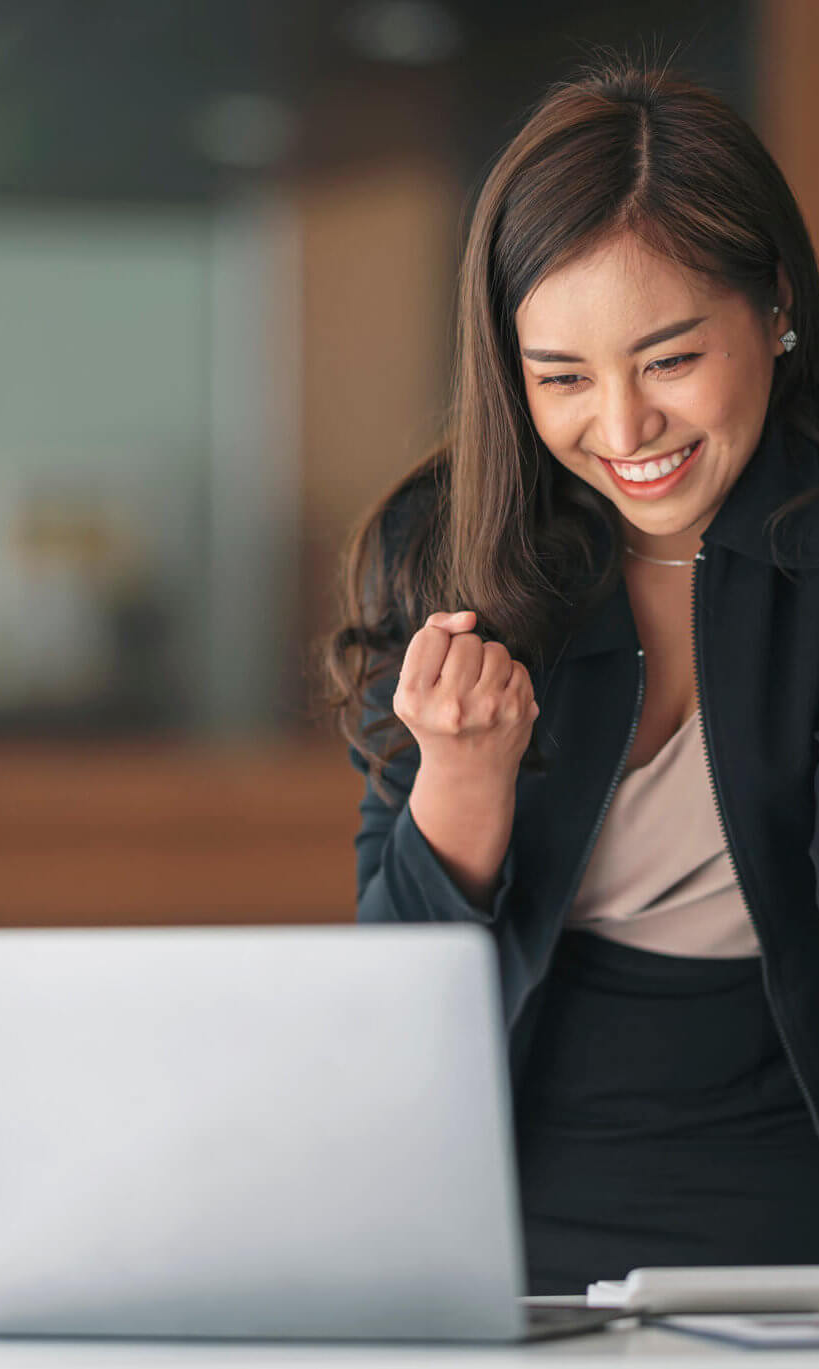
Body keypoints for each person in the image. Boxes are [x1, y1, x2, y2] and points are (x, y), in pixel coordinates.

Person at [324, 57, 819, 1293]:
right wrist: (462, 778)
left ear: (772, 308)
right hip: (500, 1212)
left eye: (666, 359)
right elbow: (396, 1009)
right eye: (561, 377)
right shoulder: (443, 551)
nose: (622, 427)